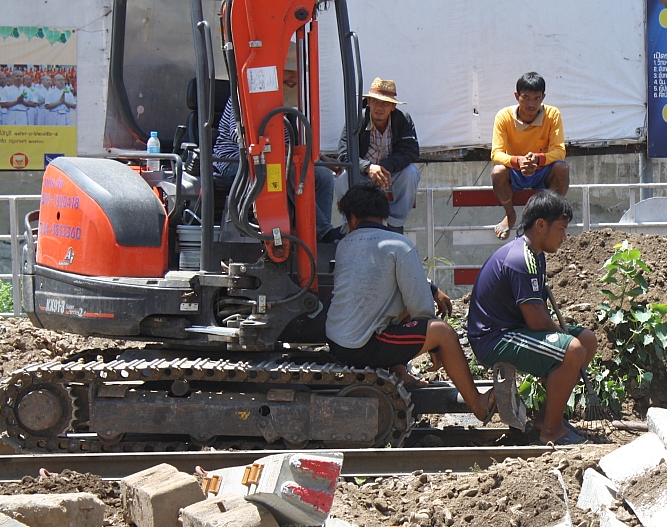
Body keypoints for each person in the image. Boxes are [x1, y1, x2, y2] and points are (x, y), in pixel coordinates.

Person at [325, 181, 494, 421]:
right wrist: (434, 346)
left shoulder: (344, 244)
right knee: (443, 332)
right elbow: (421, 308)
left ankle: (400, 373)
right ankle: (477, 404)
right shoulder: (398, 244)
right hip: (362, 346)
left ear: (352, 218)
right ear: (383, 214)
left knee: (399, 307)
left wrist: (430, 291)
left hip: (338, 340)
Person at [467, 191, 596, 445]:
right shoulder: (521, 259)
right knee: (572, 349)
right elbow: (536, 320)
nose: (564, 236)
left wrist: (560, 338)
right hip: (495, 338)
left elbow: (538, 311)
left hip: (515, 330)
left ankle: (545, 419)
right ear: (540, 225)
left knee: (587, 341)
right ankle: (551, 431)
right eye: (561, 229)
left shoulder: (535, 255)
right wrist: (562, 338)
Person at [212, 44, 335, 239]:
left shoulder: (285, 101)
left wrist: (318, 157)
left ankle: (315, 235)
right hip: (235, 160)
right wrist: (277, 149)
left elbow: (289, 143)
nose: (293, 77)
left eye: (296, 72)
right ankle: (323, 231)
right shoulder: (245, 95)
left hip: (274, 159)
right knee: (286, 170)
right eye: (289, 71)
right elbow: (239, 137)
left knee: (323, 176)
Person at [490, 72, 568, 239]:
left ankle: (550, 218)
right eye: (526, 97)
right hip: (515, 171)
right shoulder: (503, 116)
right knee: (497, 172)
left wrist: (538, 159)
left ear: (543, 97)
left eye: (536, 98)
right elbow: (496, 154)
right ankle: (510, 215)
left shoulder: (553, 114)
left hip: (542, 171)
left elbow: (560, 151)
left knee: (562, 168)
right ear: (517, 96)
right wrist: (518, 161)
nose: (531, 104)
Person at [337, 78, 420, 233]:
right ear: (368, 102)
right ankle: (350, 222)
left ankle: (395, 224)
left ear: (393, 106)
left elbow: (411, 151)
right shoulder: (356, 119)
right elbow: (343, 152)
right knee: (342, 178)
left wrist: (385, 167)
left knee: (411, 173)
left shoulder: (403, 119)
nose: (379, 107)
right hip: (363, 175)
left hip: (391, 174)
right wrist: (367, 167)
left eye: (385, 103)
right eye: (375, 101)